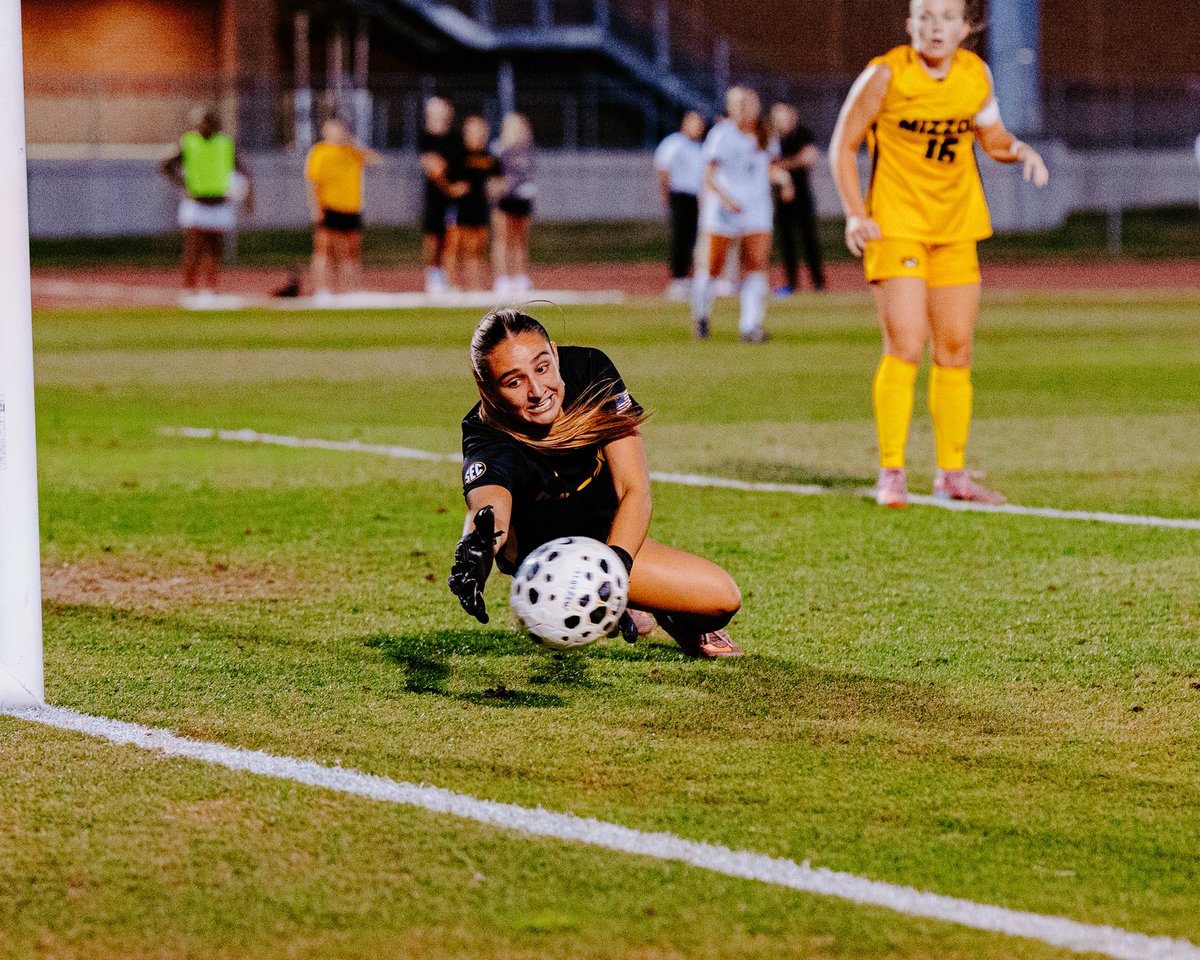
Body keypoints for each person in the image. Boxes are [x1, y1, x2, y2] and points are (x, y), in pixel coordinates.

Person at [829, 0, 1048, 507]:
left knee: (956, 350)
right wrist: (855, 212)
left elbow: (990, 137)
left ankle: (952, 474)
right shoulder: (885, 75)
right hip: (897, 225)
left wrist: (1019, 150)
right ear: (910, 25)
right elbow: (844, 144)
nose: (935, 27)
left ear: (965, 27)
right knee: (906, 343)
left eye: (946, 17)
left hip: (957, 227)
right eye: (925, 16)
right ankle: (891, 471)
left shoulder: (975, 74)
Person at [448, 309, 744, 659]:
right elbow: (489, 506)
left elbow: (633, 489)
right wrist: (479, 546)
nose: (537, 390)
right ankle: (637, 596)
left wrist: (613, 576)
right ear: (487, 387)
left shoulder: (589, 372)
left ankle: (655, 606)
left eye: (542, 368)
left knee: (722, 600)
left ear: (555, 354)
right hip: (548, 556)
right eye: (514, 382)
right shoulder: (487, 435)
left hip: (606, 538)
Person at [691, 87, 794, 343]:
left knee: (756, 266)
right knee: (712, 266)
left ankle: (750, 326)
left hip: (756, 208)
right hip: (724, 210)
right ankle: (702, 317)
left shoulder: (764, 134)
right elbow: (709, 177)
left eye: (750, 103)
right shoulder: (721, 135)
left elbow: (767, 169)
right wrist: (726, 200)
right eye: (740, 104)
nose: (746, 108)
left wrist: (784, 179)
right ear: (730, 107)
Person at [160, 108, 253, 304]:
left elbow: (242, 170)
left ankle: (209, 288)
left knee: (214, 248)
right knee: (194, 247)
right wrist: (182, 184)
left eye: (207, 123)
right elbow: (166, 165)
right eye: (201, 123)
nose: (203, 127)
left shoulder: (225, 143)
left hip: (219, 201)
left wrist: (246, 197)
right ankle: (189, 287)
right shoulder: (189, 142)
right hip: (196, 202)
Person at [304, 117, 382, 299]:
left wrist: (354, 143)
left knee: (351, 252)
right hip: (329, 206)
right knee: (323, 250)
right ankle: (321, 289)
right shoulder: (319, 151)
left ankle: (350, 288)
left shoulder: (352, 151)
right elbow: (312, 182)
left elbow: (376, 159)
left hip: (351, 207)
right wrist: (315, 208)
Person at [769, 103, 826, 295]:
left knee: (809, 239)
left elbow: (809, 157)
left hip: (802, 195)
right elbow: (768, 166)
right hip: (780, 198)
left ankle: (818, 283)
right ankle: (792, 283)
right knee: (786, 242)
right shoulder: (772, 138)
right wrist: (792, 163)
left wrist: (783, 165)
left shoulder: (802, 134)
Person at [444, 115, 505, 292]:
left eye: (480, 131)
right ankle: (451, 285)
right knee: (454, 247)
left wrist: (496, 188)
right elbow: (445, 180)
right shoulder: (458, 155)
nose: (477, 135)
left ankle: (474, 285)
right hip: (459, 208)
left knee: (476, 249)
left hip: (480, 208)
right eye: (473, 131)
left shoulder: (489, 158)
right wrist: (452, 188)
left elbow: (498, 181)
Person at [653, 111, 706, 301]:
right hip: (679, 195)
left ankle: (687, 276)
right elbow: (663, 169)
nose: (698, 127)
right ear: (685, 124)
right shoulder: (673, 143)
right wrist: (666, 196)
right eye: (694, 123)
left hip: (696, 197)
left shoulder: (700, 147)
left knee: (693, 237)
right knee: (680, 237)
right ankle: (677, 279)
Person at [418, 97, 466, 294]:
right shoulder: (426, 137)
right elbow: (434, 168)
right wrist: (449, 187)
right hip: (436, 194)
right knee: (433, 235)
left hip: (454, 195)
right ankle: (433, 275)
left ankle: (449, 276)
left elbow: (459, 163)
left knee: (452, 236)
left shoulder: (456, 137)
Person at [491, 113, 537, 297]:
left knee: (520, 240)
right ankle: (502, 278)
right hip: (504, 199)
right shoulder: (498, 149)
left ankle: (519, 276)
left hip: (522, 198)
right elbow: (493, 176)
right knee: (503, 239)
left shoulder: (527, 150)